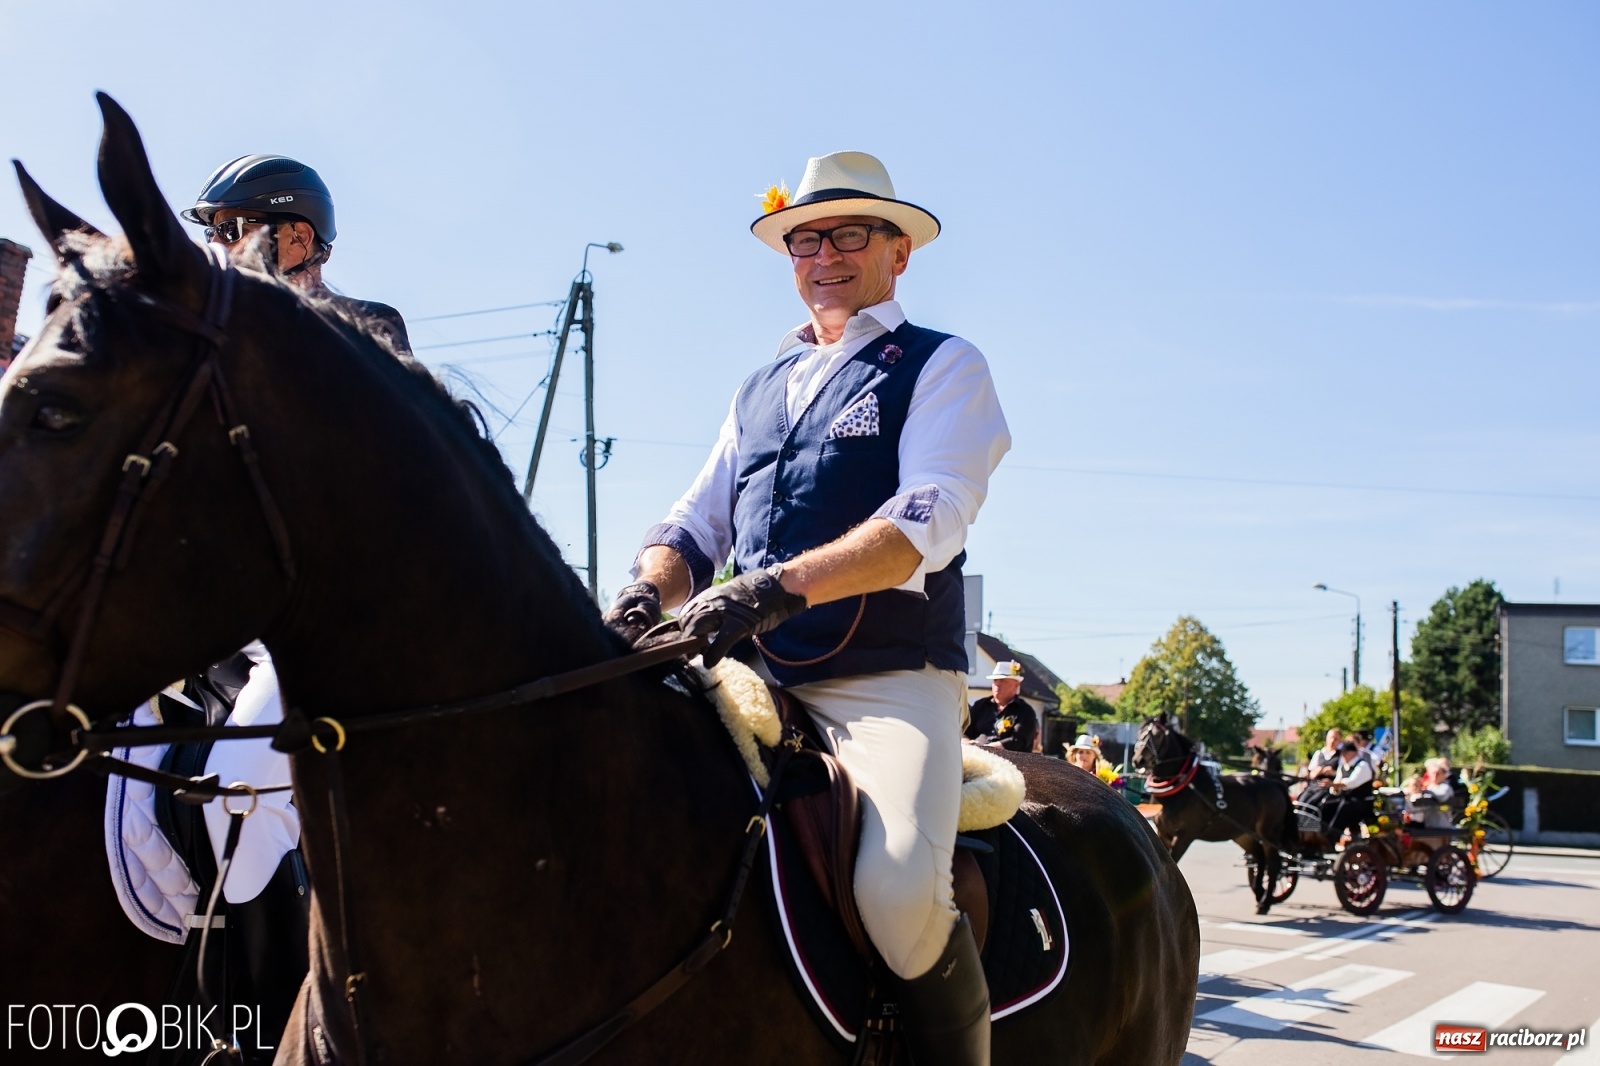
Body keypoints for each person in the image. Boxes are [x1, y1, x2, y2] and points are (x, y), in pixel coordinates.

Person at [604, 151, 1008, 1065]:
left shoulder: (942, 366)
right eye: (804, 239)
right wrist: (644, 591)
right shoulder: (758, 387)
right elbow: (695, 522)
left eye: (848, 233)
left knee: (902, 895)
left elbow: (923, 522)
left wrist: (768, 589)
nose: (822, 253)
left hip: (884, 683)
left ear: (899, 251)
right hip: (745, 674)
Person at [181, 154, 412, 354]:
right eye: (211, 233)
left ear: (298, 237)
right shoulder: (216, 327)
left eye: (230, 230)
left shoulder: (370, 325)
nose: (215, 246)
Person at [966, 660, 1039, 753]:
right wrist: (968, 744)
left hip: (1011, 764)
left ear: (1016, 686)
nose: (998, 684)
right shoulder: (980, 705)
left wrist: (987, 748)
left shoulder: (1025, 711)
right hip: (977, 759)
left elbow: (1018, 741)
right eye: (995, 680)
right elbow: (964, 731)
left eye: (1003, 680)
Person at [1321, 740, 1376, 841]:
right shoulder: (1342, 767)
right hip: (1347, 799)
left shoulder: (1362, 766)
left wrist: (1333, 784)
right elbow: (1337, 783)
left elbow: (1351, 783)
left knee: (1345, 806)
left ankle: (1332, 838)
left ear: (1353, 753)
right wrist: (1333, 788)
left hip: (1362, 801)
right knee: (1327, 803)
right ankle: (1321, 833)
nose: (1343, 755)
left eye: (1345, 753)